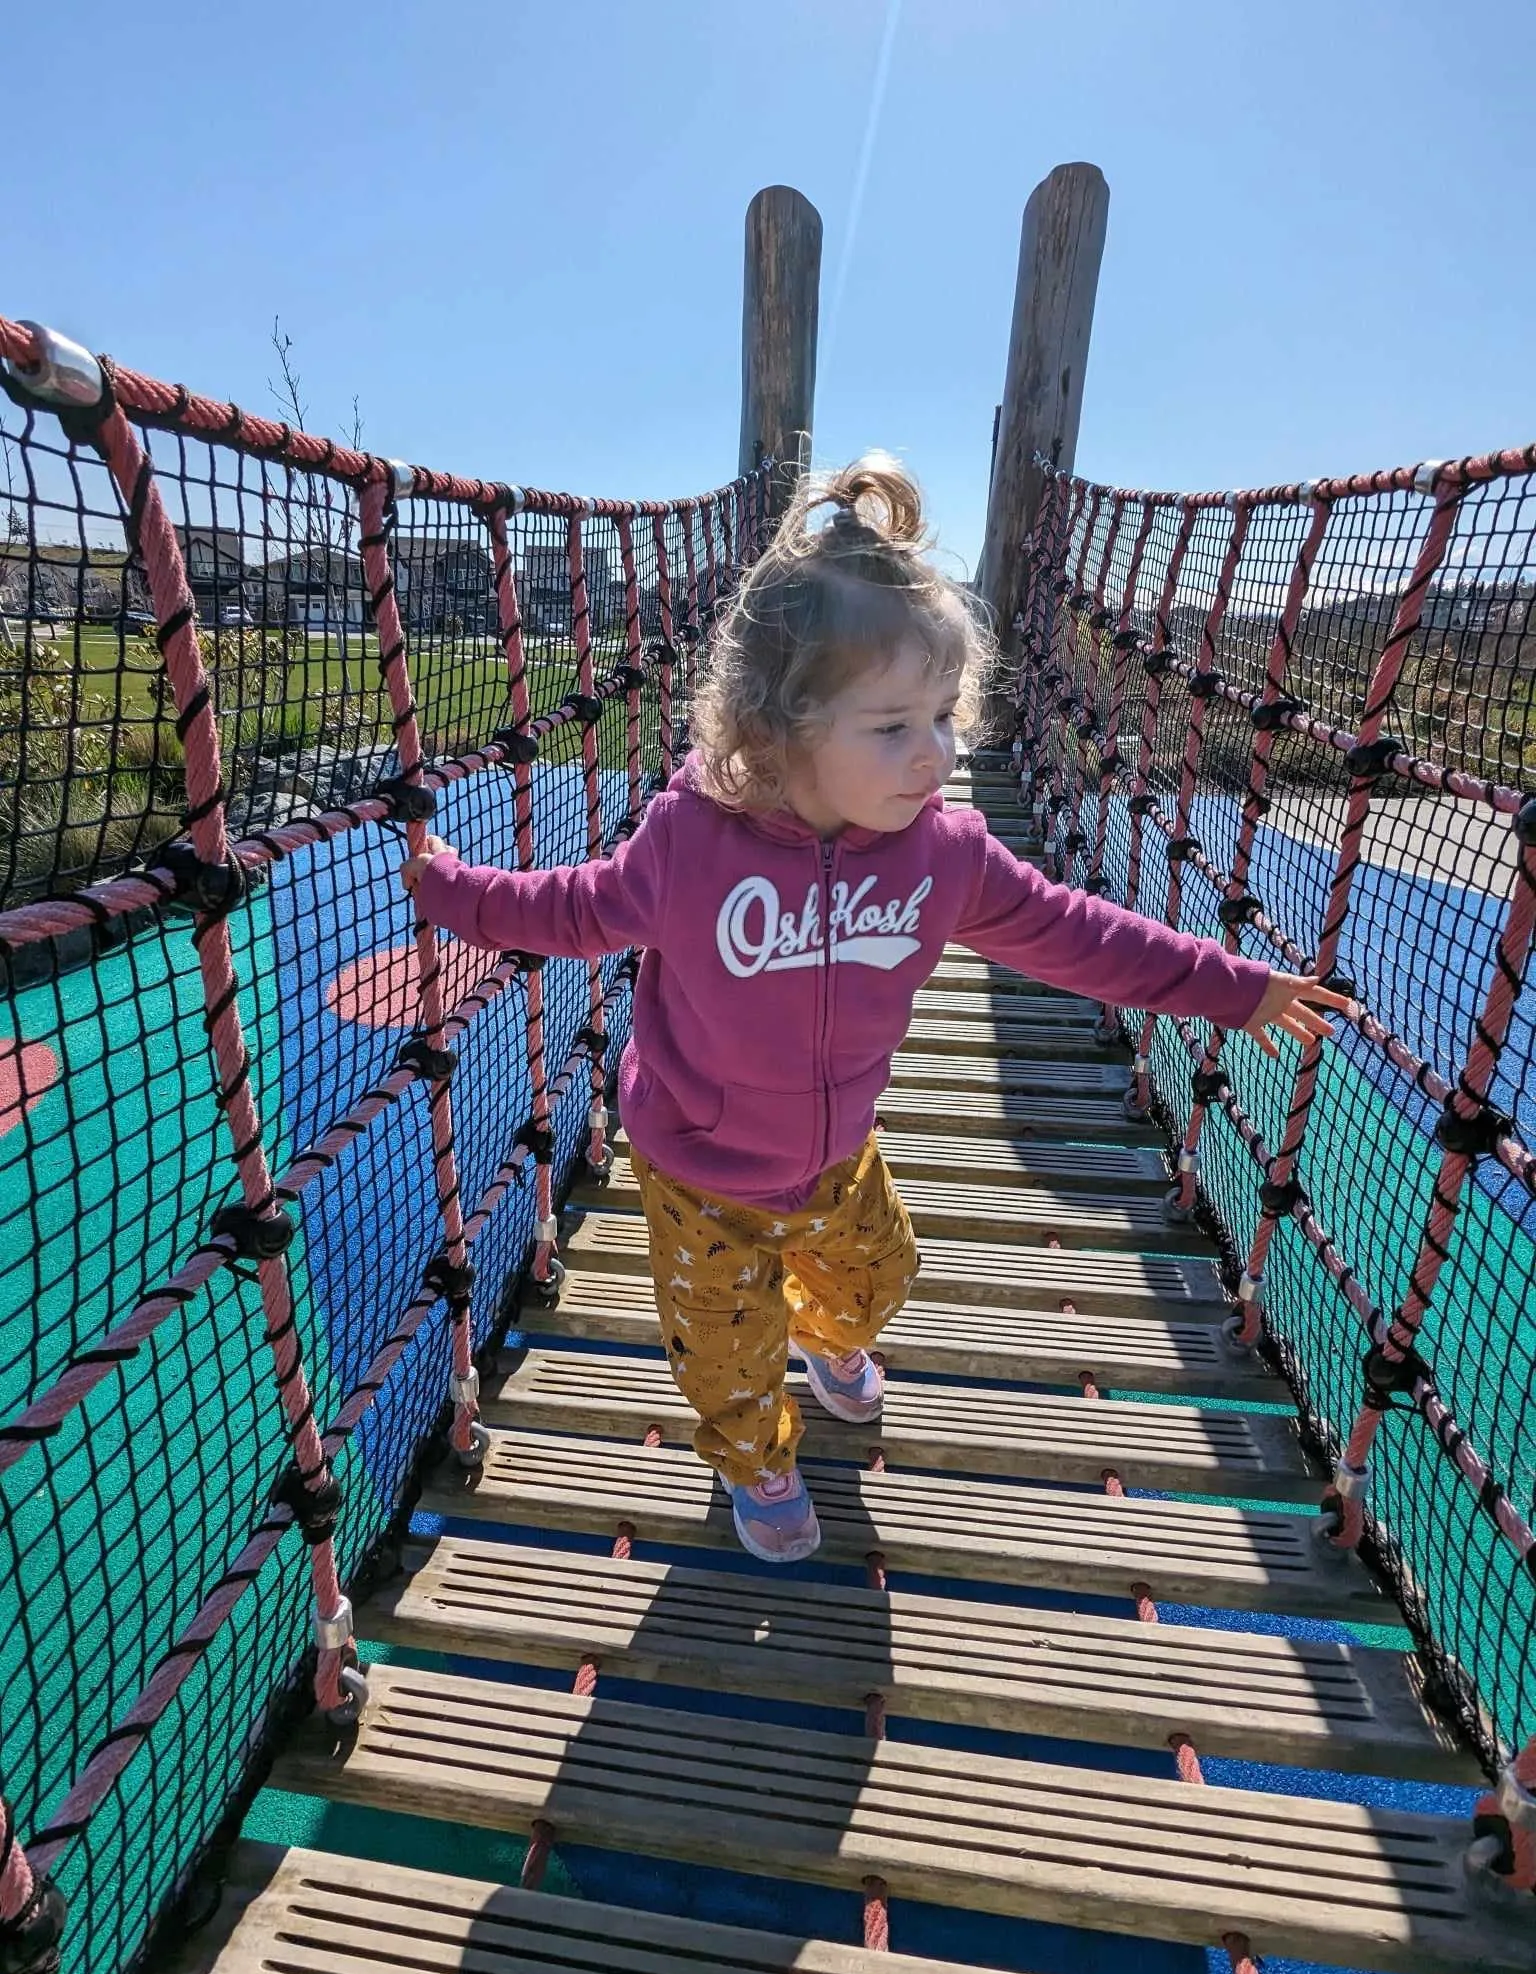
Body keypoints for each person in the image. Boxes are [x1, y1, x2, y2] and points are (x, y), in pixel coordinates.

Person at [401, 454, 1349, 1564]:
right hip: (696, 1165)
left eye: (944, 716)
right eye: (894, 726)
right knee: (724, 1354)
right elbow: (572, 911)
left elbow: (1080, 933)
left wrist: (1229, 988)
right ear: (785, 727)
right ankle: (758, 1466)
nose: (937, 753)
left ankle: (830, 1340)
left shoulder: (946, 856)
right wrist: (451, 890)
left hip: (837, 1150)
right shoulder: (691, 841)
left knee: (877, 1283)